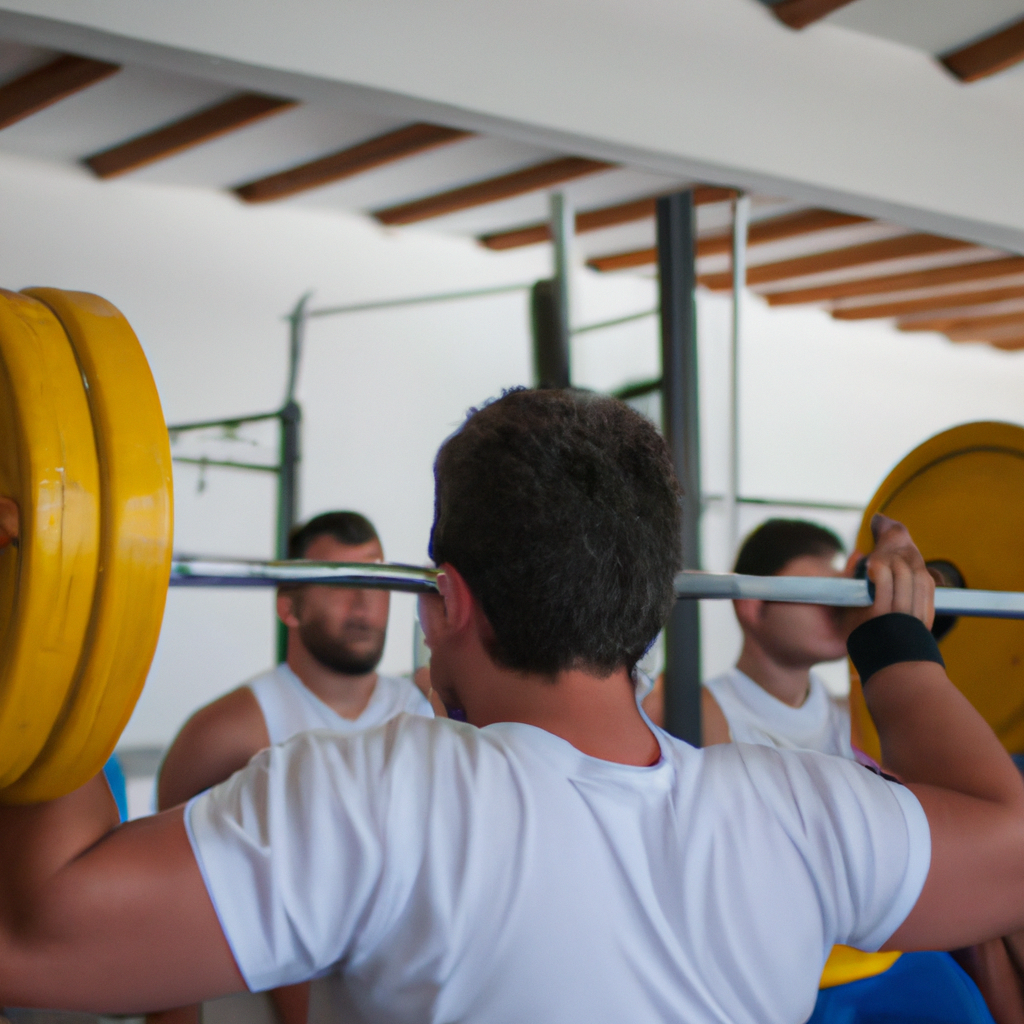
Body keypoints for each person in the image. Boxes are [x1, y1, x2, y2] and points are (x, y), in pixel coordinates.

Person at [3, 388, 1024, 1024]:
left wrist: (49, 601)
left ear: (444, 605)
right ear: (647, 599)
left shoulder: (378, 792)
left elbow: (36, 937)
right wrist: (895, 636)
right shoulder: (799, 810)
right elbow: (1006, 841)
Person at [149, 511, 432, 1024]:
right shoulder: (225, 732)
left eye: (376, 578)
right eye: (338, 581)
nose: (365, 602)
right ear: (289, 606)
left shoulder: (425, 713)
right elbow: (166, 907)